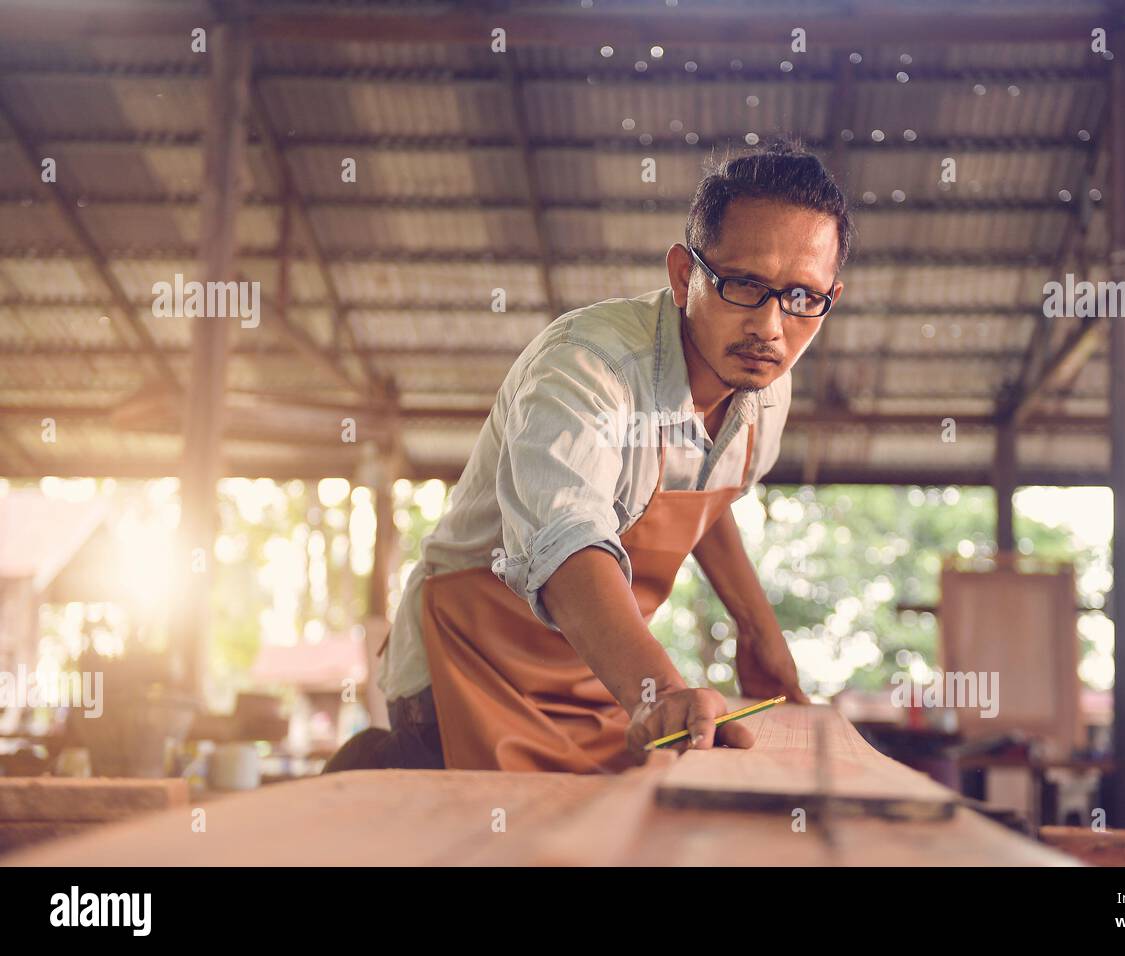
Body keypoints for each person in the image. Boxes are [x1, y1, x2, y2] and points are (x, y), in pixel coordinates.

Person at [325, 140, 851, 774]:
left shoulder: (766, 388)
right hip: (463, 675)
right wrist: (656, 689)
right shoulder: (587, 367)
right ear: (685, 276)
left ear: (830, 297)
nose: (772, 325)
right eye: (745, 284)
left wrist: (759, 631)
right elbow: (565, 539)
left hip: (595, 682)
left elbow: (705, 502)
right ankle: (381, 765)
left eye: (802, 298)